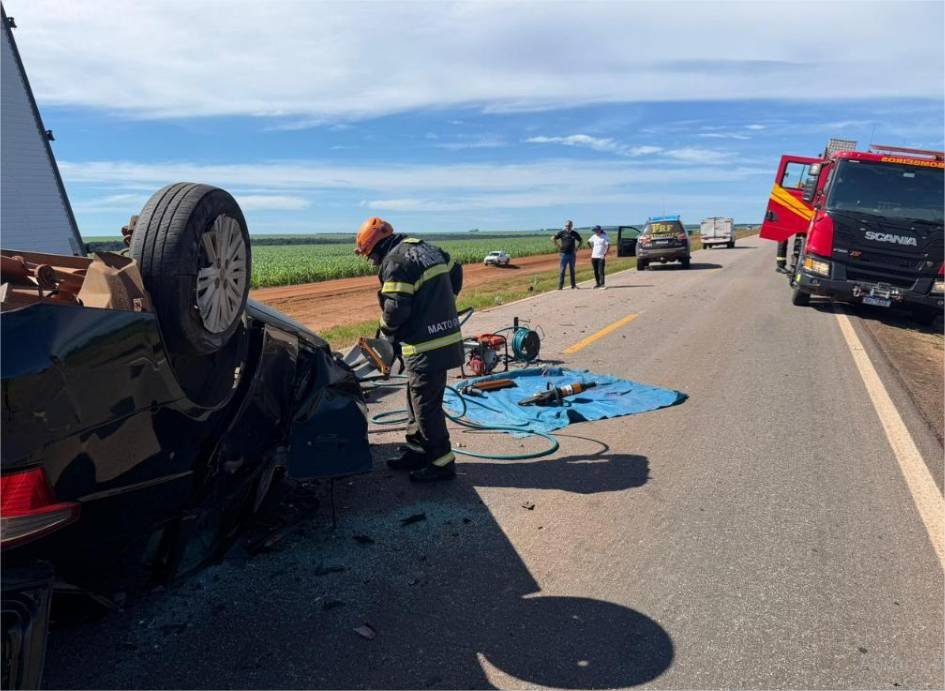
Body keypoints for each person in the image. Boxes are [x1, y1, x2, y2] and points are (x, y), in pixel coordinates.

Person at [354, 217, 464, 482]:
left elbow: (395, 310)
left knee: (426, 407)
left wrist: (384, 332)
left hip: (426, 346)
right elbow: (456, 271)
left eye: (371, 257)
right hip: (442, 338)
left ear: (378, 248)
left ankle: (441, 464)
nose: (374, 263)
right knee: (416, 398)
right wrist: (439, 305)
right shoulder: (426, 249)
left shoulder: (395, 262)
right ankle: (417, 451)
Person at [553, 220, 582, 289]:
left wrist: (577, 248)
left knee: (572, 270)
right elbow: (553, 238)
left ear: (571, 226)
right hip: (564, 254)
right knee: (562, 270)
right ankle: (560, 286)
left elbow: (581, 241)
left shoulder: (574, 233)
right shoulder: (562, 232)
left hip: (572, 254)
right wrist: (558, 246)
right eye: (566, 226)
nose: (568, 227)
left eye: (569, 226)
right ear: (565, 226)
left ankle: (573, 285)